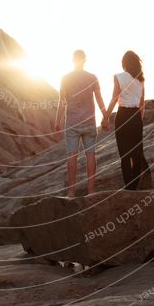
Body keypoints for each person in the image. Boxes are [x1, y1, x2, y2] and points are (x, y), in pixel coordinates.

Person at [54, 50, 107, 198]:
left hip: (72, 123)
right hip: (89, 122)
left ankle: (71, 191)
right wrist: (105, 116)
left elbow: (62, 102)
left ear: (73, 60)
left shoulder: (65, 78)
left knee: (72, 156)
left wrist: (57, 121)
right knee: (91, 154)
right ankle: (91, 190)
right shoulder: (92, 78)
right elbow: (99, 98)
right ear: (85, 60)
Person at [102, 50, 149, 190]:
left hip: (123, 116)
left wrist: (105, 117)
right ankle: (133, 187)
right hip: (135, 116)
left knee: (124, 154)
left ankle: (128, 187)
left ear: (124, 63)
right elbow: (142, 104)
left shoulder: (118, 77)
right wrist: (139, 121)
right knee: (136, 154)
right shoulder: (141, 80)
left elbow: (114, 98)